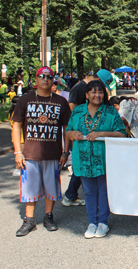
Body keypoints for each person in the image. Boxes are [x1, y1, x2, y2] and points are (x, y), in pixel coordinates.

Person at [12, 66, 71, 236]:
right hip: (30, 154)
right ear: (36, 80)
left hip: (53, 154)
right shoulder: (25, 100)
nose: (46, 79)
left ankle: (48, 216)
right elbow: (16, 126)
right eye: (42, 76)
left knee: (51, 187)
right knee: (30, 188)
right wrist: (17, 151)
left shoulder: (60, 102)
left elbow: (67, 128)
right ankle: (29, 220)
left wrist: (65, 152)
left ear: (54, 81)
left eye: (49, 77)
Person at [66, 80, 127, 238]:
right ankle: (92, 222)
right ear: (86, 94)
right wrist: (73, 134)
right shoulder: (78, 111)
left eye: (100, 92)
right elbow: (68, 131)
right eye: (93, 92)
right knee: (89, 192)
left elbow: (122, 133)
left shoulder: (110, 112)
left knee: (104, 191)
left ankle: (103, 223)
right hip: (84, 159)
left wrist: (101, 133)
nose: (97, 95)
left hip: (105, 159)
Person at [64, 69, 114, 207]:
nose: (98, 93)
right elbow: (72, 111)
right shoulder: (79, 89)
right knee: (81, 166)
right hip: (81, 135)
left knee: (86, 166)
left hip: (90, 135)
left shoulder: (83, 88)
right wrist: (74, 131)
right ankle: (70, 195)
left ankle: (71, 194)